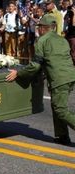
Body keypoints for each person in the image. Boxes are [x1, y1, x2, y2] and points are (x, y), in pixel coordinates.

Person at [6, 14, 75, 145]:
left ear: (43, 28)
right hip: (71, 76)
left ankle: (63, 135)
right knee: (57, 106)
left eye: (39, 27)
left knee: (60, 109)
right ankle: (62, 136)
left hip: (59, 78)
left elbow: (35, 65)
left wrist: (19, 73)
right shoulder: (62, 40)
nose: (38, 29)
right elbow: (54, 59)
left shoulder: (42, 41)